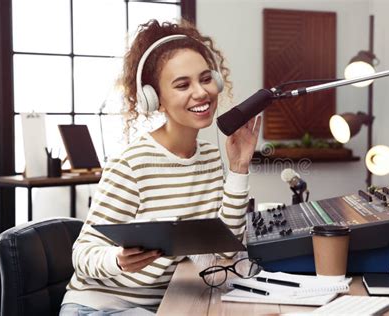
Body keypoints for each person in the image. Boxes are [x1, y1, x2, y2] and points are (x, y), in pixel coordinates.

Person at [60, 19, 261, 315]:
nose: (201, 92)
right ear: (154, 99)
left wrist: (239, 167)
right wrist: (117, 258)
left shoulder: (209, 157)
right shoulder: (132, 163)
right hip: (100, 307)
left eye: (206, 79)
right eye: (182, 85)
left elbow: (226, 249)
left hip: (162, 305)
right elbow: (82, 253)